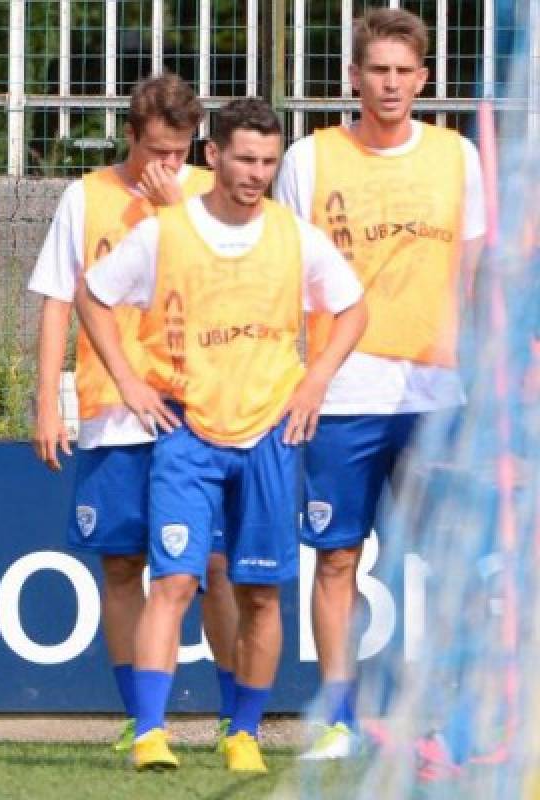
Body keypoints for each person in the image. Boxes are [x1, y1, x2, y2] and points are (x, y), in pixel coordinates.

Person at [75, 97, 367, 772]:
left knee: (260, 593)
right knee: (173, 581)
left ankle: (243, 734)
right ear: (215, 157)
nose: (256, 173)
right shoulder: (166, 232)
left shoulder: (296, 235)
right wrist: (127, 378)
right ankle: (149, 733)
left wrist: (316, 379)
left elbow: (352, 307)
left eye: (268, 161)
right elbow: (92, 294)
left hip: (269, 433)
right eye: (244, 158)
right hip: (187, 433)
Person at [273, 7, 486, 760]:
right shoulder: (309, 157)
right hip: (339, 395)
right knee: (335, 558)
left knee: (449, 561)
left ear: (424, 78)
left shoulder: (458, 157)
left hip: (435, 397)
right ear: (353, 76)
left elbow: (473, 280)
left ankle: (444, 721)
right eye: (378, 71)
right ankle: (337, 715)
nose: (391, 84)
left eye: (404, 71)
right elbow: (284, 275)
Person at [27, 73, 238, 752]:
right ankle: (137, 715)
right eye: (155, 151)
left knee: (211, 566)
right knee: (120, 566)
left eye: (179, 152)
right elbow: (59, 300)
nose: (166, 165)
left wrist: (177, 207)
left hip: (198, 411)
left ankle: (239, 717)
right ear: (131, 137)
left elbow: (238, 292)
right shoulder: (86, 197)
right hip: (112, 410)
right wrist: (46, 402)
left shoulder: (212, 198)